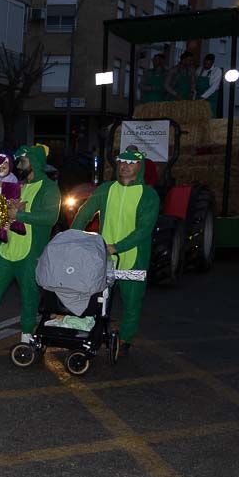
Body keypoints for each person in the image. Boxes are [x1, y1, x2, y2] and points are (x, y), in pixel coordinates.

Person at [0, 145, 59, 345]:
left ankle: (26, 332)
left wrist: (19, 214)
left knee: (29, 292)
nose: (19, 165)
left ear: (35, 162)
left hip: (30, 250)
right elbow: (0, 215)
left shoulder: (49, 188)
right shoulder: (17, 184)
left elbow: (51, 217)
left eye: (23, 161)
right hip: (6, 246)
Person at [70, 150, 158, 356]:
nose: (125, 166)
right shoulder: (106, 189)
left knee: (132, 301)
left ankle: (125, 339)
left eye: (131, 163)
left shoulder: (148, 195)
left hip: (133, 258)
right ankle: (92, 333)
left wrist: (116, 246)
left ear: (140, 166)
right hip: (104, 257)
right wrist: (72, 237)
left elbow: (144, 230)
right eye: (121, 162)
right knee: (97, 300)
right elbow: (85, 212)